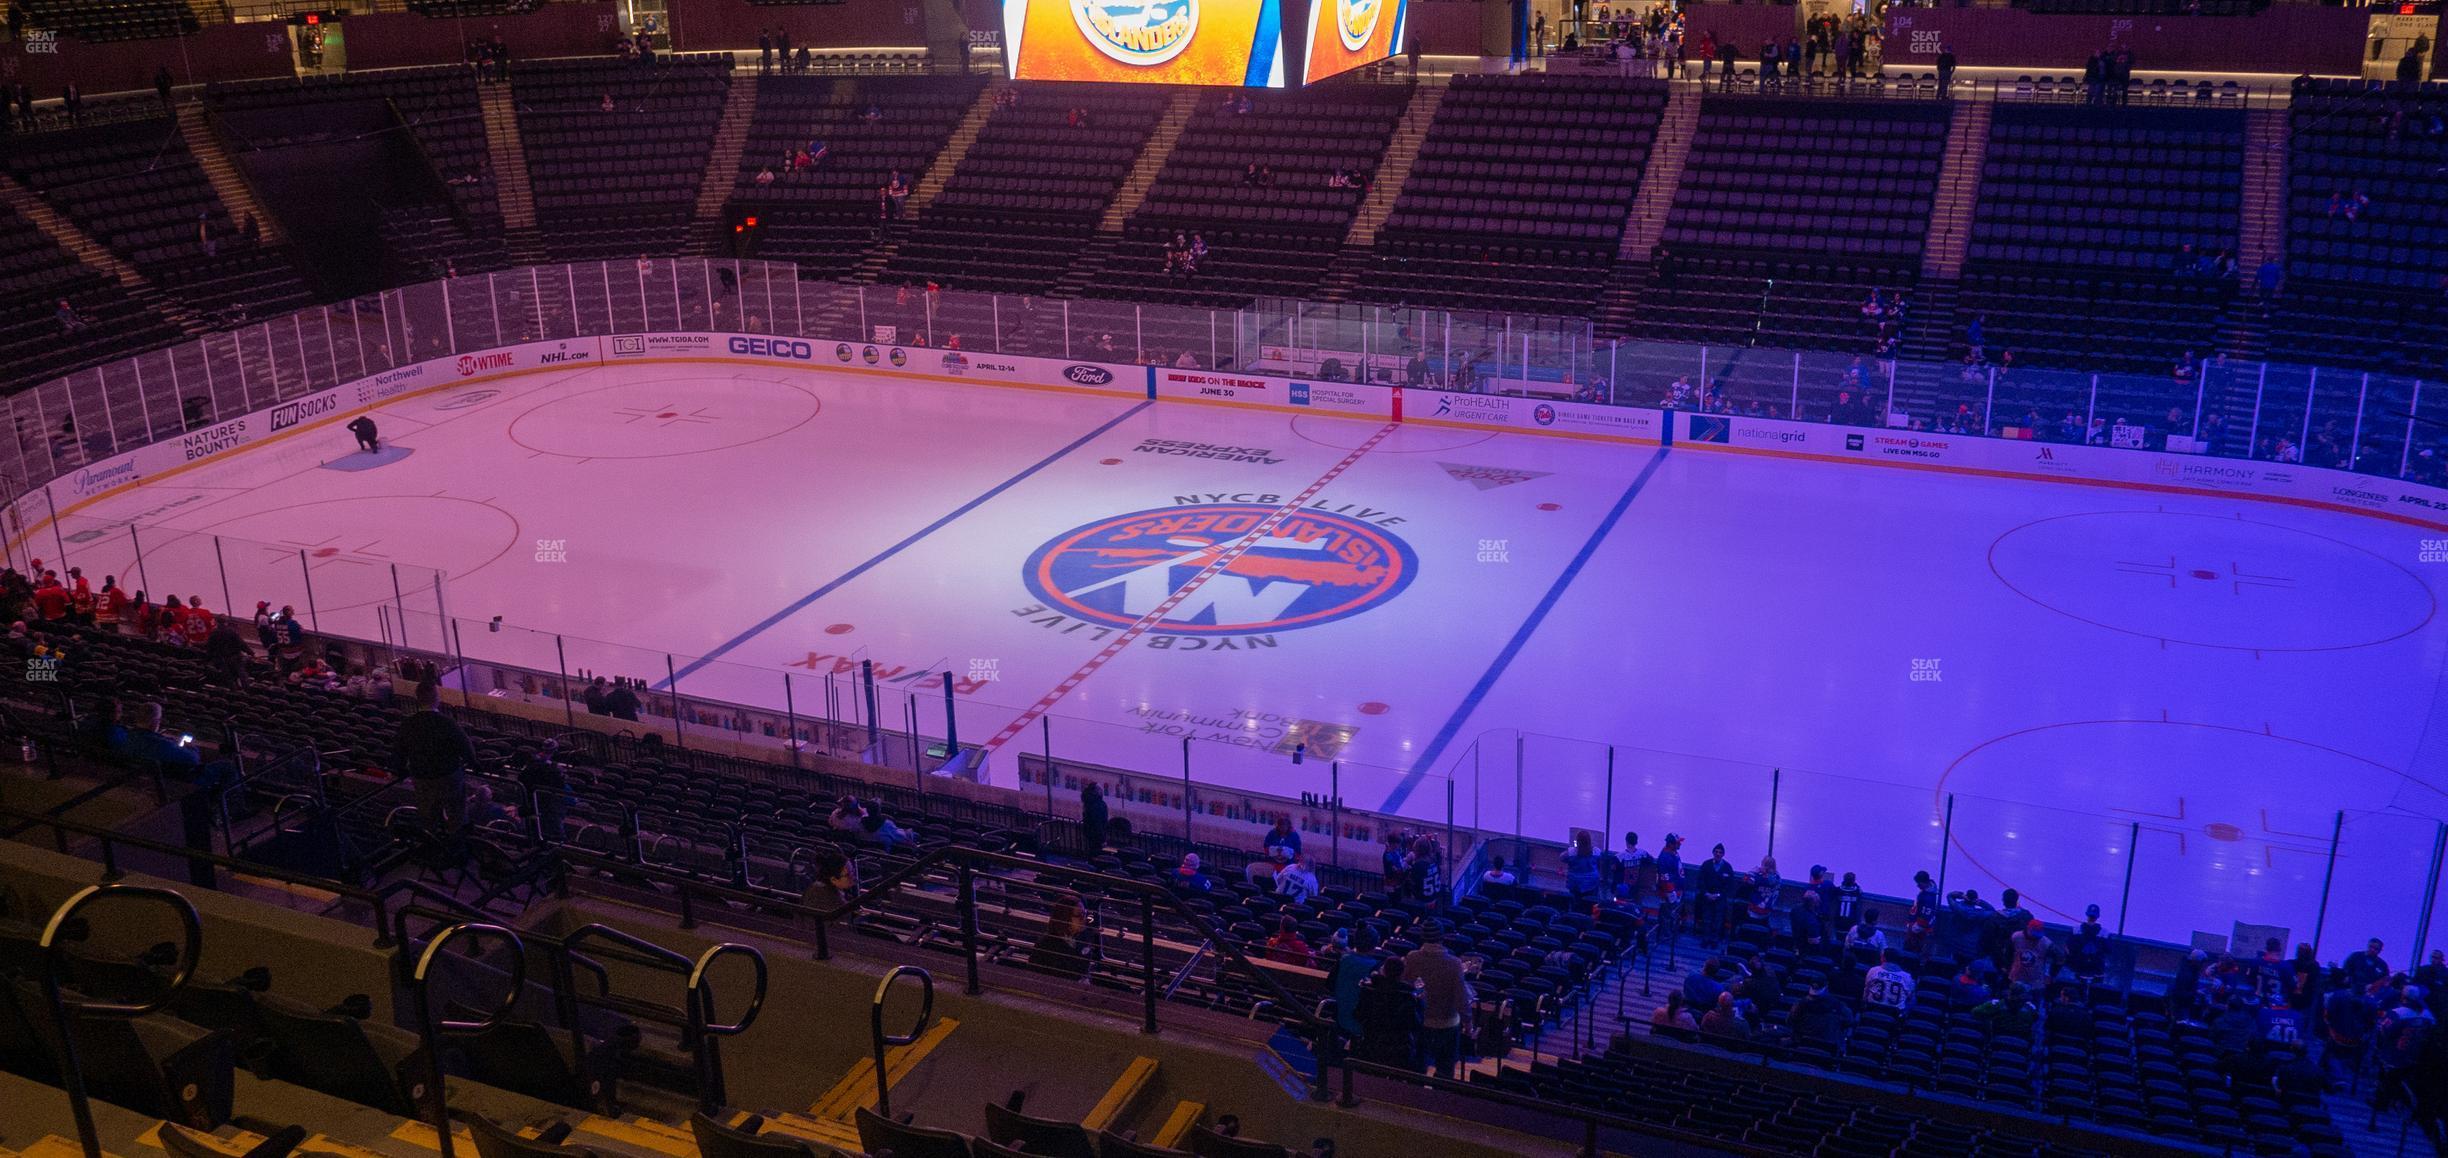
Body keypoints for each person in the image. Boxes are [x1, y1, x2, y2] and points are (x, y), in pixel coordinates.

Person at [393, 682, 476, 832]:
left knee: (428, 815)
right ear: (436, 698)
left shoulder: (408, 724)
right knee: (456, 813)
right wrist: (474, 764)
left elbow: (398, 750)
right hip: (448, 775)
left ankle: (432, 843)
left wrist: (400, 770)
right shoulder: (447, 723)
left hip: (422, 777)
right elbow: (466, 747)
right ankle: (457, 845)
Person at [1403, 927, 1473, 1079]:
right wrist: (1468, 1023)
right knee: (1445, 1070)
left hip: (1420, 1021)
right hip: (1448, 1023)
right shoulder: (1454, 963)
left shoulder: (1412, 957)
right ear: (1442, 938)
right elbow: (1461, 998)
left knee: (1417, 1067)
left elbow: (1406, 986)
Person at [1353, 956, 1422, 1068]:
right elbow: (1414, 1023)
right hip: (1398, 1044)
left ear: (1383, 970)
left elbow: (1358, 1013)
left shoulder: (1369, 988)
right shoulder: (1408, 994)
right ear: (1401, 973)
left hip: (1371, 1038)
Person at [1078, 780, 1108, 853]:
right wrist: (1102, 839)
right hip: (1097, 835)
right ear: (1096, 791)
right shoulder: (1099, 805)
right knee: (1097, 854)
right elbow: (1098, 823)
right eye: (1100, 790)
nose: (1102, 791)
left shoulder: (1088, 802)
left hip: (1088, 833)